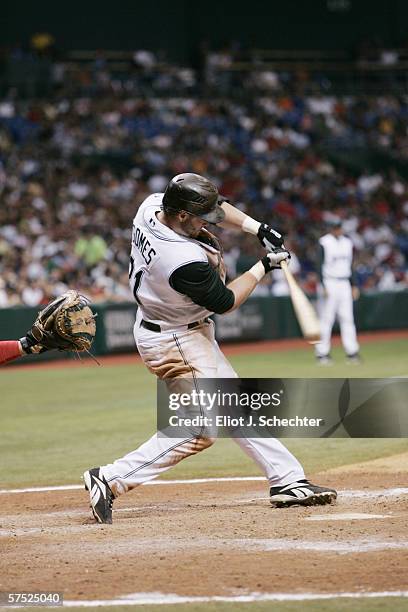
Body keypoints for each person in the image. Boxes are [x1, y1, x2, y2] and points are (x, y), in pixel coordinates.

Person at [84, 173, 337, 524]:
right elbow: (226, 300)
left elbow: (217, 208)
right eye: (202, 215)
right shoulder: (180, 260)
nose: (211, 219)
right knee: (199, 430)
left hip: (181, 329)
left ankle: (286, 479)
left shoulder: (154, 205)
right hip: (174, 340)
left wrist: (257, 228)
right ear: (183, 215)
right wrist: (263, 265)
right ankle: (110, 478)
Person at [315, 218, 360, 365]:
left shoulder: (347, 242)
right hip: (330, 281)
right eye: (335, 227)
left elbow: (350, 265)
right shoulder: (324, 242)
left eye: (339, 227)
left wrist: (353, 285)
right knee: (326, 319)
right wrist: (323, 285)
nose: (338, 229)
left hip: (344, 282)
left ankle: (352, 352)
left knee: (347, 318)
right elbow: (318, 265)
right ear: (331, 228)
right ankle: (322, 353)